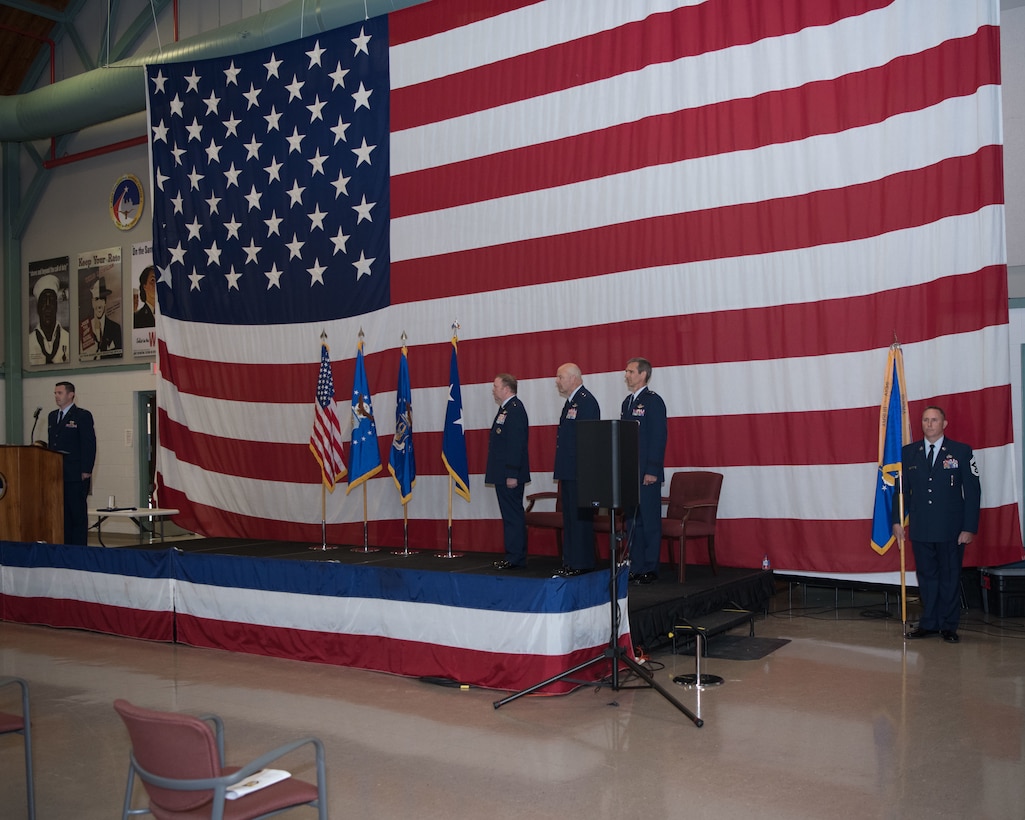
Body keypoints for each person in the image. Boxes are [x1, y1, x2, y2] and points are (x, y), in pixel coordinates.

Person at [892, 406, 980, 643]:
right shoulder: (909, 452)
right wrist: (897, 521)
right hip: (922, 527)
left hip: (951, 528)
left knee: (949, 577)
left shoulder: (961, 452)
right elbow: (902, 492)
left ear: (944, 424)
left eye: (934, 420)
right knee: (927, 577)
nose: (929, 424)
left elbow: (972, 492)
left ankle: (949, 626)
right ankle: (929, 623)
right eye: (925, 420)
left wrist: (969, 527)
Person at [621, 357, 668, 584]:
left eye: (631, 371)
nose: (627, 375)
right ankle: (636, 566)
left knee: (649, 522)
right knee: (633, 523)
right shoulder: (627, 403)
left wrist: (652, 470)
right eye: (627, 371)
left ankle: (650, 567)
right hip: (630, 474)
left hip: (646, 474)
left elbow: (658, 438)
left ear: (643, 374)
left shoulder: (653, 401)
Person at [552, 363, 600, 577]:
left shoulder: (586, 402)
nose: (557, 381)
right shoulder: (571, 403)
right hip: (569, 470)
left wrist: (584, 471)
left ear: (573, 378)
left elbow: (589, 440)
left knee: (580, 520)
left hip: (581, 471)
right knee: (570, 518)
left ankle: (582, 562)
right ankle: (571, 561)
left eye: (560, 377)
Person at [486, 374, 530, 569]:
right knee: (509, 515)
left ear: (506, 388)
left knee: (513, 516)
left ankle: (515, 557)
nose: (493, 389)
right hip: (502, 472)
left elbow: (516, 444)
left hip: (510, 474)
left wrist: (512, 473)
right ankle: (513, 554)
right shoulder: (505, 409)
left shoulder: (515, 409)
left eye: (496, 386)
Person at [48, 381, 97, 546]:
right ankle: (65, 548)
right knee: (63, 515)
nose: (56, 396)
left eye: (60, 393)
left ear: (71, 395)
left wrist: (86, 470)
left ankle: (79, 550)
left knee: (77, 514)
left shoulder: (82, 415)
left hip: (76, 473)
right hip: (58, 473)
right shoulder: (52, 416)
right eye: (55, 393)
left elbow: (88, 444)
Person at [27, 274, 70, 365]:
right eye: (43, 301)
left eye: (51, 300)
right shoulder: (29, 343)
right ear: (38, 307)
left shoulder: (68, 339)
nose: (48, 306)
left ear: (57, 306)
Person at [90, 277, 122, 355]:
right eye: (97, 299)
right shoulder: (87, 328)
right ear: (92, 303)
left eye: (102, 299)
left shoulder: (115, 328)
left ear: (105, 302)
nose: (99, 304)